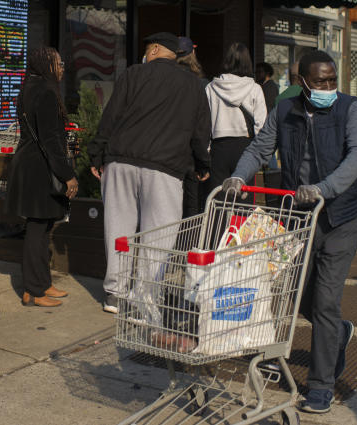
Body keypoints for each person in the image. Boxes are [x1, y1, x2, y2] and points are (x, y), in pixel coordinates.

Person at [222, 50, 357, 415]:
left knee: (325, 301)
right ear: (301, 81)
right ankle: (336, 333)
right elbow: (259, 148)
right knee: (294, 290)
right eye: (319, 81)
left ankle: (321, 385)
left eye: (332, 80)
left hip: (339, 217)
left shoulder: (349, 109)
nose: (327, 87)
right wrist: (239, 175)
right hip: (298, 217)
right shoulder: (285, 110)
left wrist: (324, 187)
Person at [86, 32, 210, 316]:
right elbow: (200, 131)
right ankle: (145, 296)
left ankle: (115, 294)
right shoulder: (193, 84)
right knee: (160, 233)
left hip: (121, 161)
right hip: (165, 168)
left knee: (118, 229)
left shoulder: (133, 74)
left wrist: (97, 153)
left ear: (154, 49)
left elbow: (111, 115)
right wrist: (202, 165)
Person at [6, 47, 78, 308]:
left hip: (30, 165)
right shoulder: (46, 92)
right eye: (58, 63)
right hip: (40, 170)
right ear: (45, 65)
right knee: (38, 229)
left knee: (42, 227)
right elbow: (50, 140)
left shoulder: (29, 87)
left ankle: (43, 283)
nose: (62, 68)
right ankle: (33, 291)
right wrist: (68, 175)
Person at [207, 43, 267, 192]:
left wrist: (206, 149)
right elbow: (261, 125)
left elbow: (205, 123)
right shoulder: (255, 88)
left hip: (218, 147)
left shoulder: (211, 87)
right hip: (245, 148)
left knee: (217, 200)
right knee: (243, 202)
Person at [176, 36, 210, 218]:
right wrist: (203, 162)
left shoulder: (164, 79)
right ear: (193, 54)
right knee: (190, 208)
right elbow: (201, 126)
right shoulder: (200, 84)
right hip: (188, 154)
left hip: (164, 154)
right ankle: (185, 245)